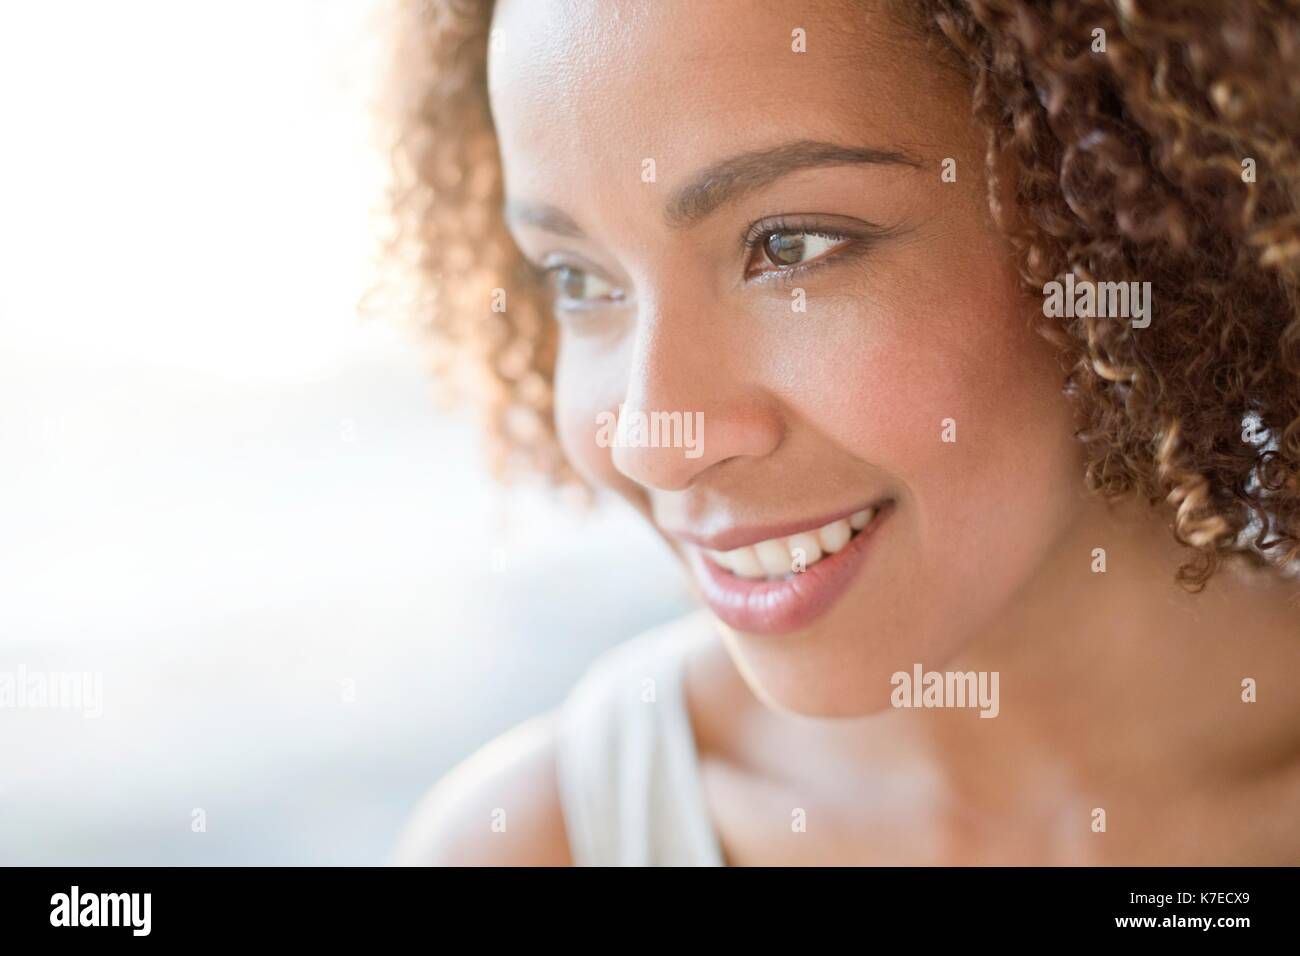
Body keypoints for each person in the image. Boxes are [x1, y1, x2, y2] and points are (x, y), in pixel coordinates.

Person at [390, 0, 1300, 865]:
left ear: (1122, 215)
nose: (651, 440)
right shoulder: (536, 845)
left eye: (789, 247)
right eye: (577, 278)